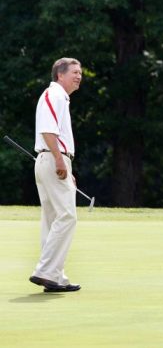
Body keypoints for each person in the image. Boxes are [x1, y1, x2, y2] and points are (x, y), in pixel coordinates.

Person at [29, 57, 83, 293]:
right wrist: (60, 161)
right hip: (53, 158)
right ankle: (46, 271)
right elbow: (48, 130)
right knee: (67, 216)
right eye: (74, 72)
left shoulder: (59, 96)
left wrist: (65, 165)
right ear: (60, 75)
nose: (79, 76)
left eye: (80, 73)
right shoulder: (55, 94)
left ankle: (55, 276)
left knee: (52, 220)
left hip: (51, 159)